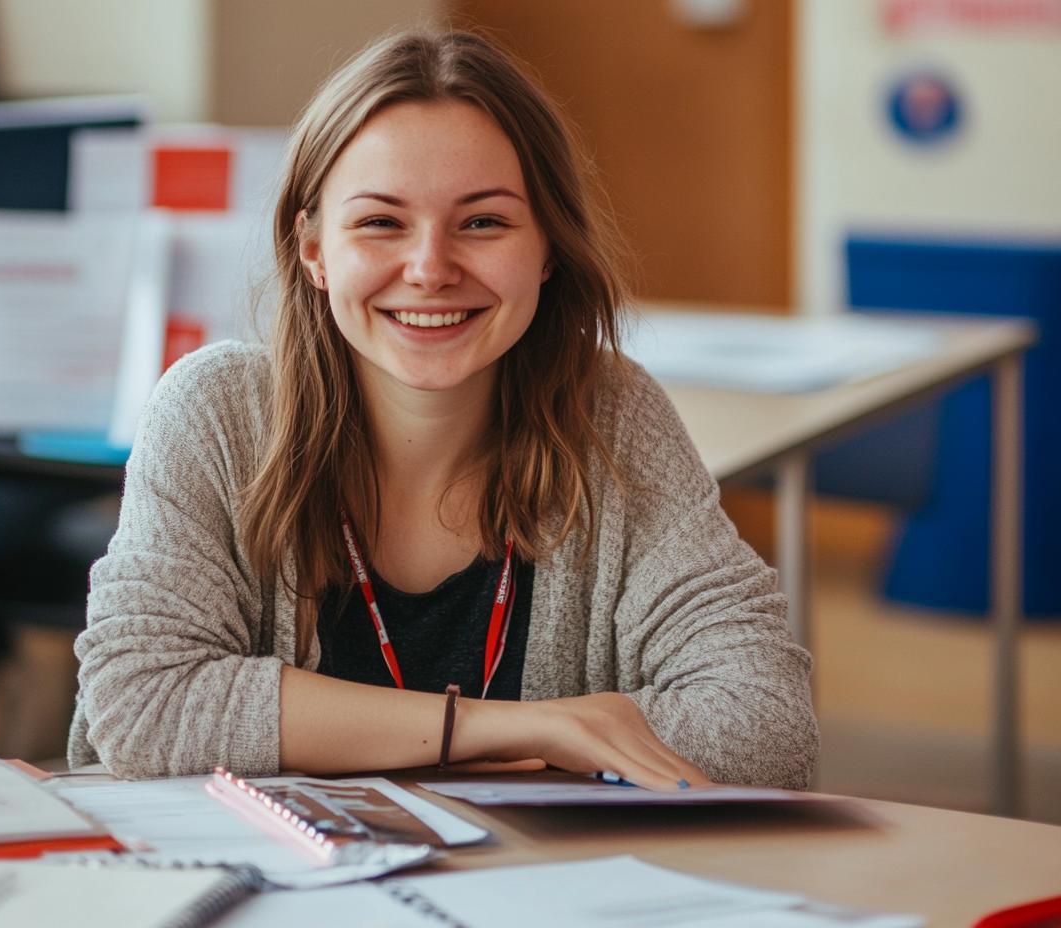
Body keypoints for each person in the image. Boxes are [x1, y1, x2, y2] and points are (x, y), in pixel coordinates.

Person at [68, 29, 818, 790]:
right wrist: (515, 729)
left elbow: (767, 723)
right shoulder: (214, 416)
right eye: (380, 222)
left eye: (483, 222)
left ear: (548, 248)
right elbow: (143, 703)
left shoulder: (612, 419)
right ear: (313, 249)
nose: (430, 269)